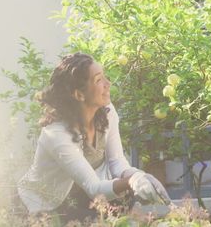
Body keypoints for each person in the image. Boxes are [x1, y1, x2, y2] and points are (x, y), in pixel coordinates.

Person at [17, 53, 171, 224]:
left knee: (125, 200)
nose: (108, 83)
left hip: (80, 195)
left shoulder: (107, 112)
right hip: (49, 205)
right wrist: (131, 182)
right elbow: (94, 188)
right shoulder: (56, 134)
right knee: (101, 212)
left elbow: (117, 162)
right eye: (98, 80)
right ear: (79, 94)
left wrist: (140, 177)